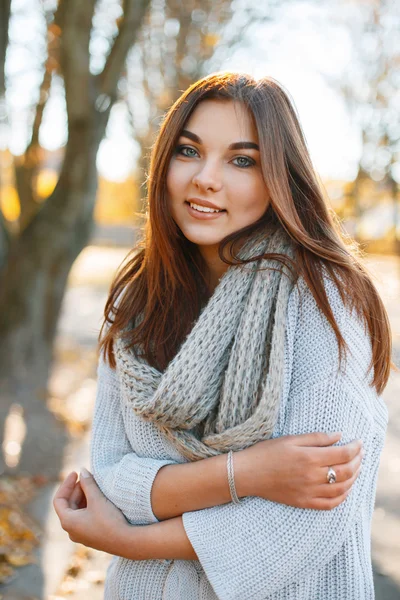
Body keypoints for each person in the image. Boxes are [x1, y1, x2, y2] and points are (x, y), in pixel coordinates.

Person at [54, 72, 392, 600]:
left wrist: (128, 538)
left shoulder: (325, 298)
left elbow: (309, 517)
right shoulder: (137, 300)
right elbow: (111, 477)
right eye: (189, 151)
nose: (206, 179)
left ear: (281, 176)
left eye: (242, 160)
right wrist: (250, 472)